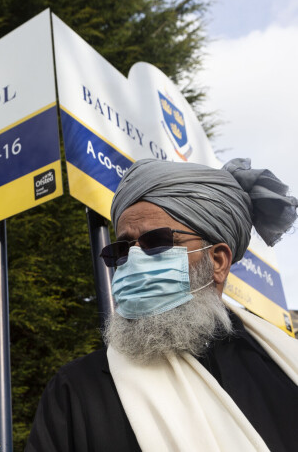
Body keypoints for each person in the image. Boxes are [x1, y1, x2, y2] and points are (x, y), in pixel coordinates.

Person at [26, 158, 298, 452]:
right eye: (121, 249)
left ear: (218, 261)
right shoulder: (78, 389)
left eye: (156, 242)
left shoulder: (282, 365)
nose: (133, 260)